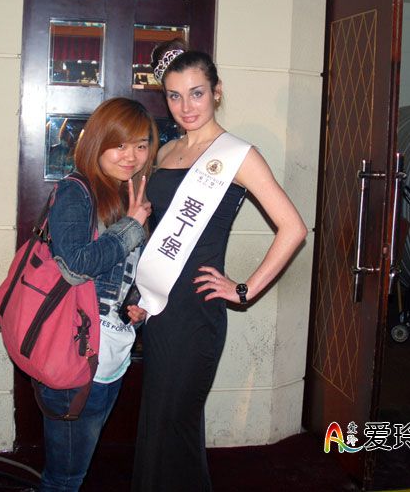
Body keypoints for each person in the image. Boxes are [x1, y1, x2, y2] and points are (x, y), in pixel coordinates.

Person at [132, 40, 307, 491]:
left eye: (197, 93)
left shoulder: (239, 155)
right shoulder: (164, 153)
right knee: (158, 420)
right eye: (175, 95)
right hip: (159, 308)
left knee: (178, 422)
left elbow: (293, 228)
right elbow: (153, 230)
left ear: (217, 92)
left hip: (197, 310)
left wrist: (244, 289)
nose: (186, 106)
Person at [39, 97, 157, 492]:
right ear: (97, 142)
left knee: (74, 470)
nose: (131, 156)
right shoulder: (76, 192)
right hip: (75, 357)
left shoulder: (126, 195)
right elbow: (74, 266)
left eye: (141, 145)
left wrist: (135, 304)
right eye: (119, 144)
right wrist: (132, 226)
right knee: (64, 479)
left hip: (111, 355)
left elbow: (120, 274)